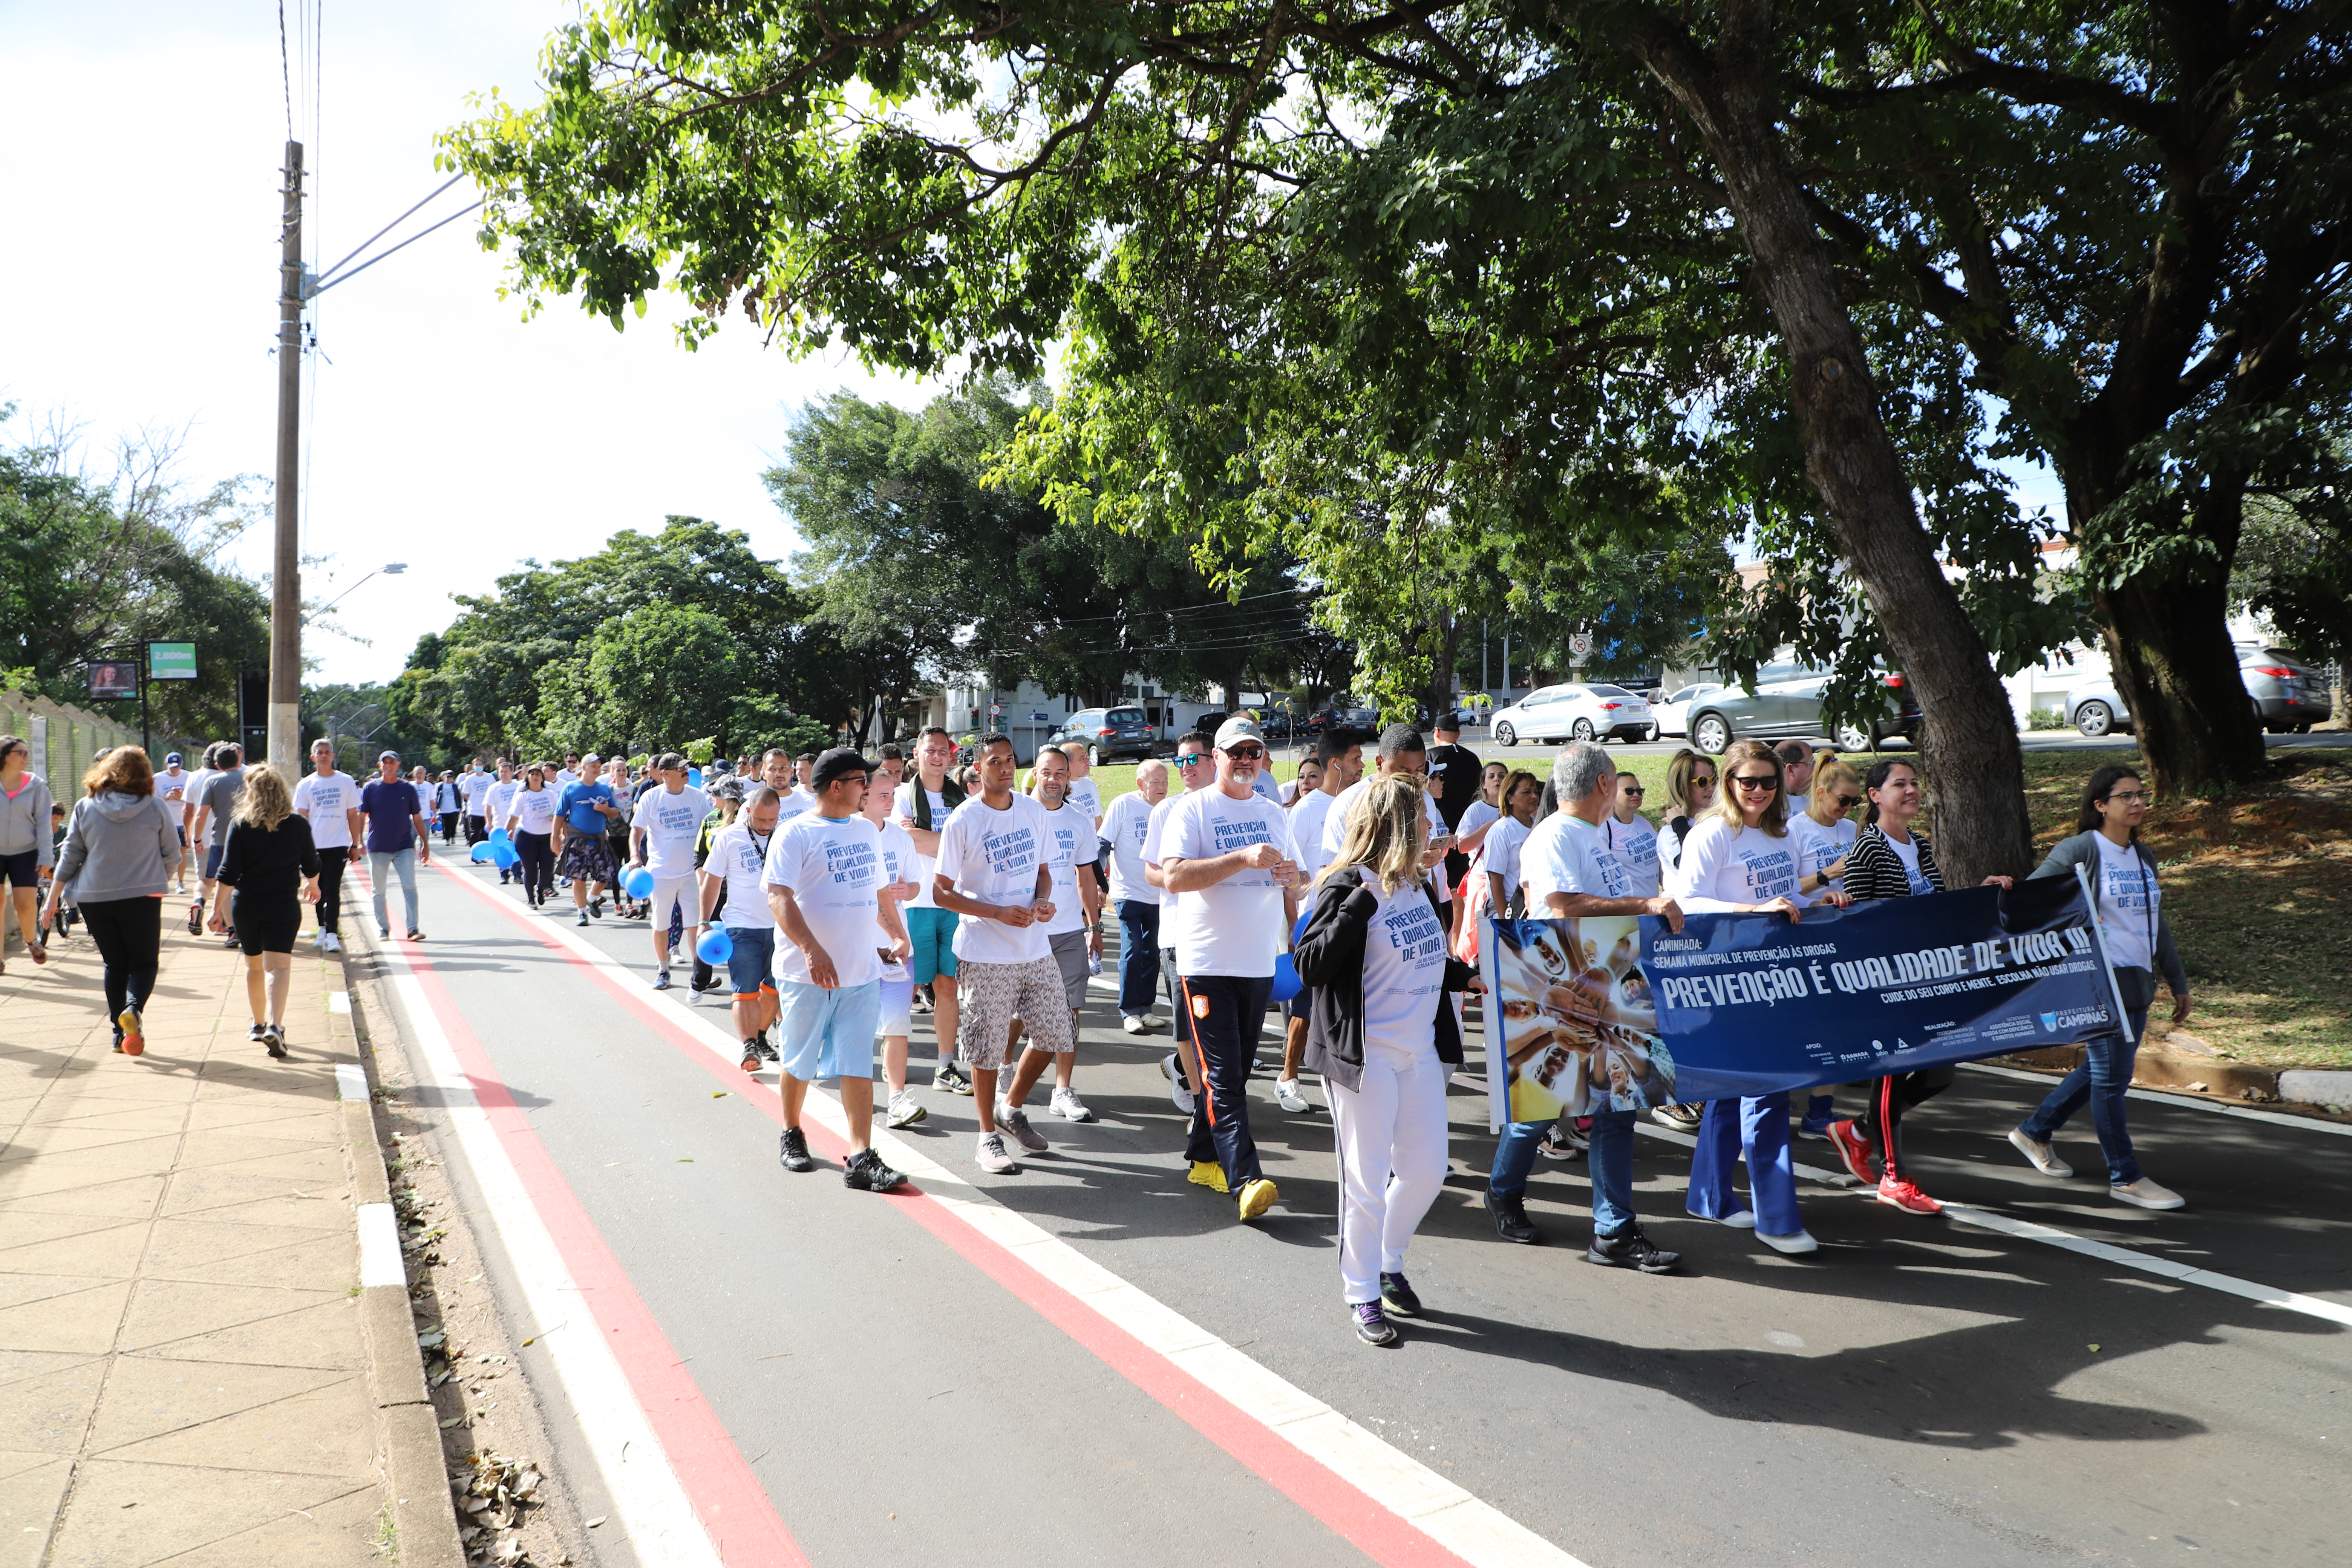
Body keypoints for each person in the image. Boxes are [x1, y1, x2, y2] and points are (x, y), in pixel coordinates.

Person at [1484, 743, 1687, 1273]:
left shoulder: (1592, 835)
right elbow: (1562, 906)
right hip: (1560, 994)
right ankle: (1504, 1192)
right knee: (1541, 1109)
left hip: (1609, 992)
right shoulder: (1555, 834)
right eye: (1617, 781)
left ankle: (1613, 1231)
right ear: (1603, 784)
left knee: (1617, 1109)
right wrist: (1645, 904)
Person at [1295, 773, 1468, 1345]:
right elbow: (1310, 964)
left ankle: (1389, 1260)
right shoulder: (1347, 884)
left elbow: (1424, 956)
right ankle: (1363, 1290)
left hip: (1420, 1051)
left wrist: (1466, 977)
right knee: (1365, 1182)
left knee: (1427, 1170)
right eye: (1423, 820)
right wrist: (1359, 904)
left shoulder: (1417, 883)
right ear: (1397, 826)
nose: (1432, 830)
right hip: (1366, 1059)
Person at [1669, 740, 1850, 1254]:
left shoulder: (1781, 832)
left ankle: (1710, 1196)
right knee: (1767, 1092)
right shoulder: (1711, 834)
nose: (1759, 790)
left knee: (1733, 1091)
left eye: (1768, 781)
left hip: (1776, 975)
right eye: (1748, 781)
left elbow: (1788, 894)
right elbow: (1687, 902)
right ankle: (1778, 1219)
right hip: (1727, 978)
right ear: (1729, 782)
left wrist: (1819, 897)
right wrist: (1751, 912)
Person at [1822, 757, 2016, 1212]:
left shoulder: (1921, 845)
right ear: (1876, 796)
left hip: (1926, 980)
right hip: (1887, 985)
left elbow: (1936, 907)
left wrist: (1980, 891)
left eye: (1914, 782)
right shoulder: (1867, 850)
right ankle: (1893, 1177)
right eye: (1900, 784)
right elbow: (1858, 922)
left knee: (1940, 1072)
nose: (1911, 790)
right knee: (1893, 1075)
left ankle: (1858, 1131)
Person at [2009, 765, 2191, 1210]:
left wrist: (2177, 980)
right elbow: (2031, 899)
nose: (2138, 802)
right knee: (2112, 1079)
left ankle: (2034, 1131)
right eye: (2126, 795)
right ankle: (2125, 1176)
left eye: (2141, 794)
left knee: (2104, 1070)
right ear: (2101, 805)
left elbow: (2155, 922)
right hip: (2097, 982)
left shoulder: (2143, 855)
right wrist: (2011, 889)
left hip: (2136, 981)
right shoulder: (2081, 850)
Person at [1155, 716, 1299, 1222]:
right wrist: (1241, 858)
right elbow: (1173, 877)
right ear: (1216, 757)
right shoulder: (1192, 809)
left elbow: (1296, 877)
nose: (1245, 760)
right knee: (1224, 1075)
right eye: (1235, 752)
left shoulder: (1273, 811)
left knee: (1232, 1071)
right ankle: (1246, 1179)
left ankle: (1202, 1158)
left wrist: (1292, 881)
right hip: (1207, 962)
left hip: (1257, 963)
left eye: (1253, 752)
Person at [763, 749, 911, 1192]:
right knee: (799, 1058)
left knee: (857, 1061)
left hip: (861, 971)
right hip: (807, 973)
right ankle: (792, 1130)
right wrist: (812, 949)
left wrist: (897, 934)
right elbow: (779, 896)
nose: (868, 787)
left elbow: (879, 891)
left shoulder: (865, 830)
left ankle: (861, 1155)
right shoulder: (795, 832)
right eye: (861, 780)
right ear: (836, 786)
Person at [931, 734, 1073, 1174]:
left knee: (1056, 1033)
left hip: (1034, 948)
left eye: (1010, 760)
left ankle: (1010, 1108)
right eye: (995, 761)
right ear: (978, 768)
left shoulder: (1032, 811)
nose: (1006, 767)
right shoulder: (964, 820)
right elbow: (941, 892)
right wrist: (996, 912)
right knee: (986, 1048)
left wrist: (1042, 901)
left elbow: (1044, 872)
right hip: (985, 951)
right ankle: (986, 1137)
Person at [44, 747, 181, 1054]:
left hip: (95, 898)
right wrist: (157, 880)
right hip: (142, 897)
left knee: (115, 964)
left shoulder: (85, 806)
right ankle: (133, 1010)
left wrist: (52, 898)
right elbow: (173, 854)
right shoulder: (156, 807)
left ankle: (119, 1035)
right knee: (145, 963)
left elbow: (71, 855)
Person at [998, 745, 1101, 1128]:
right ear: (1035, 775)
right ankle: (1004, 1065)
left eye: (1060, 773)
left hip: (1069, 929)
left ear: (1069, 777)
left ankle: (1063, 1089)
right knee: (1018, 1009)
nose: (1053, 779)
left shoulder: (1079, 821)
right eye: (1046, 772)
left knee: (1070, 1009)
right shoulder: (1018, 814)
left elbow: (1086, 878)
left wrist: (1094, 927)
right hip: (1025, 929)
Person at [1272, 728, 1364, 1114]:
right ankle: (1288, 1076)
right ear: (1336, 764)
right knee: (1306, 1007)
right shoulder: (1307, 810)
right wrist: (1296, 927)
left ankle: (1344, 1078)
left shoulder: (1359, 801)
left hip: (1353, 916)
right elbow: (1288, 872)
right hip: (1314, 919)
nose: (1362, 766)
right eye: (1356, 759)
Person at [208, 764, 319, 1059]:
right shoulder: (298, 824)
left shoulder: (241, 824)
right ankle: (276, 1026)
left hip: (247, 906)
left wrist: (217, 910)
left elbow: (228, 872)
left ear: (252, 792)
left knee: (255, 967)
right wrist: (314, 886)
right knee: (279, 968)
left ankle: (258, 1025)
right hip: (283, 905)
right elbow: (312, 863)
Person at [1785, 756, 1862, 1138]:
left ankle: (1820, 1112)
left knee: (1835, 1026)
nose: (1848, 808)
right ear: (1821, 793)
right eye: (1843, 800)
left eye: (1855, 801)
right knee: (1800, 1026)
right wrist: (1827, 876)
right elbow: (1786, 887)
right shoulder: (1794, 830)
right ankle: (1776, 1099)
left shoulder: (1851, 829)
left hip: (1845, 936)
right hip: (1805, 937)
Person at [892, 728, 971, 1095]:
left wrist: (930, 840)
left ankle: (945, 1066)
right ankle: (894, 1065)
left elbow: (971, 846)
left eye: (944, 751)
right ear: (917, 754)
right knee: (904, 987)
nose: (938, 757)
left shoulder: (962, 797)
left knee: (948, 986)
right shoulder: (901, 796)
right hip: (914, 905)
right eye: (930, 750)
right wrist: (953, 844)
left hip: (953, 903)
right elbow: (908, 840)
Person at [1144, 731, 1212, 1112]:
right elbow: (1152, 871)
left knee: (1221, 1024)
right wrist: (1183, 877)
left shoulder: (1232, 805)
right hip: (1178, 933)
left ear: (1214, 759)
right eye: (1180, 760)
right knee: (1187, 1023)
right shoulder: (1166, 810)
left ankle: (1191, 1075)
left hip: (1224, 933)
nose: (1185, 767)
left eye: (1193, 759)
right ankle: (1203, 1105)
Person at [855, 771, 926, 1127]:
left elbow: (915, 885)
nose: (891, 800)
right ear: (863, 795)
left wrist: (906, 891)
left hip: (898, 949)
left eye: (892, 794)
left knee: (898, 1024)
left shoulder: (900, 837)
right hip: (858, 949)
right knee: (858, 1027)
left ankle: (897, 1099)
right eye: (882, 794)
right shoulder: (850, 834)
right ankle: (859, 1094)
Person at [701, 782, 783, 1070]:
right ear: (748, 811)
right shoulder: (729, 837)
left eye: (772, 820)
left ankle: (759, 1036)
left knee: (774, 988)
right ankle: (749, 1046)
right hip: (741, 925)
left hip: (781, 926)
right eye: (761, 819)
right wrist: (703, 921)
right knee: (745, 990)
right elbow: (712, 881)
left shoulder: (785, 836)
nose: (766, 826)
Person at [628, 753, 713, 990]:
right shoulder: (651, 797)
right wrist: (635, 856)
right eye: (681, 768)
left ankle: (699, 974)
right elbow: (637, 831)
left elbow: (711, 827)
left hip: (692, 873)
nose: (687, 771)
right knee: (661, 923)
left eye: (686, 767)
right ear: (665, 773)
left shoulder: (698, 796)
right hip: (661, 873)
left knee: (695, 923)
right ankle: (663, 970)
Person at [1101, 757, 1170, 1035]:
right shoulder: (1123, 804)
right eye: (1155, 782)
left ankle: (1146, 1008)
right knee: (1133, 950)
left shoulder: (1169, 808)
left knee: (1153, 953)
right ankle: (1129, 1011)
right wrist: (1099, 884)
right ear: (1141, 784)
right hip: (1127, 893)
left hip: (1159, 894)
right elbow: (1103, 845)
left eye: (1165, 782)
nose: (1162, 787)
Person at [292, 738, 363, 954]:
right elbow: (302, 818)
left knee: (332, 888)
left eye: (327, 752)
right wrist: (300, 847)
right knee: (318, 888)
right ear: (313, 757)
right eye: (319, 753)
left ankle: (333, 933)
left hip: (338, 844)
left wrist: (356, 844)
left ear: (333, 756)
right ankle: (322, 928)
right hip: (313, 846)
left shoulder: (346, 781)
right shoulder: (306, 785)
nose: (323, 756)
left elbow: (353, 815)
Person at [358, 751, 430, 940]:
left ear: (399, 765)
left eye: (392, 762)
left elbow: (417, 818)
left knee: (410, 886)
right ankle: (384, 928)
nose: (389, 765)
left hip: (404, 847)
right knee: (379, 891)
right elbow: (361, 816)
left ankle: (413, 929)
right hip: (378, 847)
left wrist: (425, 843)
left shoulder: (407, 789)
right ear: (380, 765)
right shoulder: (371, 788)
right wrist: (358, 841)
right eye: (385, 762)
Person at [0, 735, 56, 973]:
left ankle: (31, 940)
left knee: (24, 905)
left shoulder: (37, 787)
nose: (26, 757)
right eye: (20, 753)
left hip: (26, 852)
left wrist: (46, 857)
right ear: (5, 756)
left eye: (27, 753)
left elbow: (44, 824)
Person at [187, 744, 247, 949]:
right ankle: (251, 928)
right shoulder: (250, 778)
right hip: (249, 838)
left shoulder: (212, 781)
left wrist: (197, 839)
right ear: (239, 760)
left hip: (221, 840)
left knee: (224, 883)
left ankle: (233, 931)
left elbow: (201, 814)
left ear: (217, 765)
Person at [1423, 711, 1482, 906]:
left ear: (1437, 732)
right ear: (1458, 734)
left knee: (1444, 886)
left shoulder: (1432, 757)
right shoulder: (1472, 758)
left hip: (1441, 830)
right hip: (1468, 828)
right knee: (1460, 885)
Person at [554, 754, 622, 926]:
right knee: (578, 878)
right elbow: (560, 815)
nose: (598, 768)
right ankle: (582, 913)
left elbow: (615, 813)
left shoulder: (605, 789)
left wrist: (606, 810)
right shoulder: (571, 788)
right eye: (594, 766)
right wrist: (555, 838)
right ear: (584, 767)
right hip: (578, 841)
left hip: (599, 841)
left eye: (599, 766)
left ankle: (591, 899)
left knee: (606, 876)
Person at [1479, 769, 1543, 920]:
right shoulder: (1501, 831)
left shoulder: (1540, 827)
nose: (1534, 796)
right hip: (1510, 909)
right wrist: (1505, 920)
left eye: (1535, 792)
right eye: (1527, 792)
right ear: (1510, 798)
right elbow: (1495, 879)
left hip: (1534, 909)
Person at [1653, 749, 1717, 875]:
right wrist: (1680, 824)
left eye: (1714, 780)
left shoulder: (1717, 821)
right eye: (1703, 782)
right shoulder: (1669, 833)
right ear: (1683, 786)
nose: (1711, 788)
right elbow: (1690, 865)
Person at [504, 763, 560, 904]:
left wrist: (562, 833)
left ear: (542, 778)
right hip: (526, 836)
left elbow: (559, 816)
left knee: (548, 869)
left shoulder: (550, 794)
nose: (535, 777)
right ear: (528, 778)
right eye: (532, 774)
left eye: (538, 774)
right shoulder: (523, 796)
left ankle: (540, 888)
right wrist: (504, 834)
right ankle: (531, 899)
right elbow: (514, 818)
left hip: (547, 837)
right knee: (530, 869)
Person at [1602, 772, 1661, 897]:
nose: (1636, 795)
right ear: (1613, 793)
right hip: (1627, 906)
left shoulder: (1644, 823)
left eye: (1640, 791)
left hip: (1652, 904)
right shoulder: (1605, 828)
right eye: (1629, 791)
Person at [480, 761, 522, 885]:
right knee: (502, 850)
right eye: (501, 772)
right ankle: (504, 875)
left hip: (517, 825)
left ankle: (518, 875)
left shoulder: (519, 786)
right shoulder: (494, 788)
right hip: (500, 825)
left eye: (506, 772)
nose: (504, 774)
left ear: (512, 772)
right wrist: (488, 822)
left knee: (516, 850)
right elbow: (488, 806)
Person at [157, 752, 192, 895]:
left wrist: (181, 798)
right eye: (172, 767)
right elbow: (152, 801)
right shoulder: (157, 779)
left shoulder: (189, 777)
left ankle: (180, 882)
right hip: (165, 822)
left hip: (182, 821)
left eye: (177, 766)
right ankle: (162, 882)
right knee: (161, 853)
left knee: (182, 851)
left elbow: (194, 800)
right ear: (166, 765)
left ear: (182, 764)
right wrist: (166, 797)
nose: (175, 769)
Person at [1059, 740, 1103, 828]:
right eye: (1082, 758)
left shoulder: (1089, 784)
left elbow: (1098, 821)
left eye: (1087, 757)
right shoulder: (1058, 789)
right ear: (1067, 763)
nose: (1088, 762)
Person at [1775, 740, 1816, 817]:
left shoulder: (1813, 804)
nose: (1815, 770)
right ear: (1791, 769)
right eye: (1811, 764)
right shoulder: (1772, 807)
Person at [460, 761, 492, 845]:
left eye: (480, 764)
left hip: (487, 811)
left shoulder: (490, 777)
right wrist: (475, 801)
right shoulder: (469, 779)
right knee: (474, 833)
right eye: (476, 765)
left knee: (485, 834)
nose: (479, 766)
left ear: (484, 765)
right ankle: (474, 851)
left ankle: (485, 851)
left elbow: (493, 792)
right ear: (473, 767)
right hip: (474, 811)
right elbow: (466, 794)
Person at [433, 770, 461, 843]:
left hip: (454, 809)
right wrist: (436, 807)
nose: (448, 779)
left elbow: (459, 796)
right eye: (447, 777)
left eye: (450, 777)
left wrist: (460, 807)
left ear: (453, 778)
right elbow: (436, 797)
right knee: (446, 825)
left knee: (453, 824)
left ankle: (453, 836)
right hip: (444, 809)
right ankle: (447, 839)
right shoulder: (441, 786)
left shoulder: (455, 786)